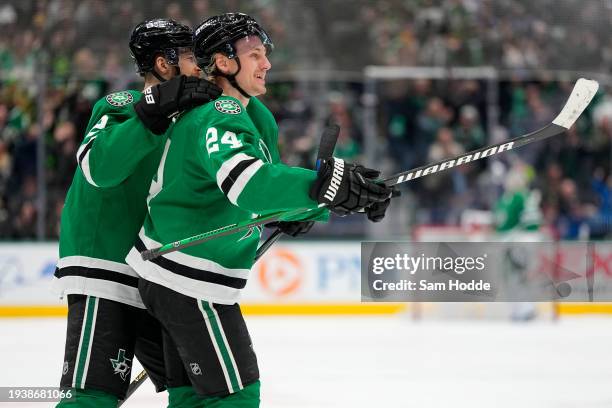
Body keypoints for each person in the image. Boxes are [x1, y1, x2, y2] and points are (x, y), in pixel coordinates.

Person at [126, 13, 396, 407]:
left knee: (192, 399)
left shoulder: (231, 113)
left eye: (264, 54)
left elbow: (237, 192)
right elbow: (248, 185)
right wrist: (324, 188)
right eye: (254, 55)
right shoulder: (221, 113)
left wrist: (308, 207)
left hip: (170, 275)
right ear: (222, 62)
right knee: (235, 396)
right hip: (189, 279)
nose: (266, 63)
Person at [53, 19, 222, 407]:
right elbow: (99, 167)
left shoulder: (196, 123)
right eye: (192, 58)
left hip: (166, 276)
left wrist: (292, 207)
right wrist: (154, 109)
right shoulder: (121, 106)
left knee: (197, 391)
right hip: (109, 267)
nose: (202, 66)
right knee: (90, 397)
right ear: (165, 66)